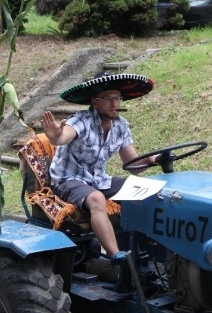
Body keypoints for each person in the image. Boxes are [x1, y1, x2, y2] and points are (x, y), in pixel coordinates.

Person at [40, 72, 157, 262]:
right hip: (68, 179)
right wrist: (55, 135)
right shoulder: (82, 120)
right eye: (108, 99)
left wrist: (153, 160)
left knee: (147, 190)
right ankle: (116, 256)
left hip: (99, 180)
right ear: (95, 102)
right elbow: (63, 136)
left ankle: (149, 250)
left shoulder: (120, 125)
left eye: (117, 98)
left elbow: (133, 165)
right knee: (96, 199)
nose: (114, 104)